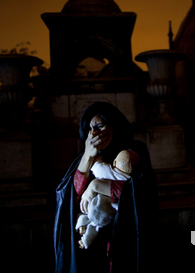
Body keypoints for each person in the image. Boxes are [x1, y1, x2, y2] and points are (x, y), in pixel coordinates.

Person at [54, 102, 157, 273]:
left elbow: (138, 192)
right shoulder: (85, 158)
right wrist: (87, 156)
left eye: (100, 126)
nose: (95, 133)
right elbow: (72, 197)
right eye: (90, 129)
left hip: (123, 239)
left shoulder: (134, 151)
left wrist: (96, 186)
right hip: (92, 249)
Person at [75, 149, 140, 250]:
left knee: (87, 214)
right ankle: (85, 238)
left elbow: (96, 166)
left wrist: (98, 158)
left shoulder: (107, 170)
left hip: (96, 208)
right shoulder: (128, 181)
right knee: (96, 226)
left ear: (114, 162)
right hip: (107, 215)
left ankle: (82, 224)